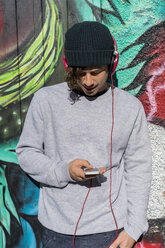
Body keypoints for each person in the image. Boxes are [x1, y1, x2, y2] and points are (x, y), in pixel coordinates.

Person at [16, 21, 152, 248]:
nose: (88, 81)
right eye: (81, 73)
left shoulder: (129, 107)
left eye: (95, 72)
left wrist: (134, 228)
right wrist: (64, 171)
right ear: (69, 66)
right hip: (55, 231)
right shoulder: (45, 100)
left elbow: (138, 168)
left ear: (112, 64)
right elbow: (26, 152)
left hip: (110, 232)